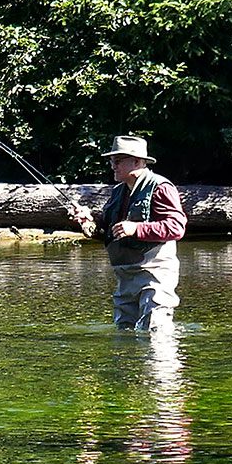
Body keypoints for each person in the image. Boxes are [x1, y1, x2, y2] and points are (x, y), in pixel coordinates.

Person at [68, 135, 187, 332]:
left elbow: (176, 227)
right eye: (111, 161)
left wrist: (136, 228)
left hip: (154, 274)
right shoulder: (118, 191)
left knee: (155, 331)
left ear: (138, 161)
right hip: (125, 276)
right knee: (125, 334)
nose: (113, 165)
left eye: (118, 160)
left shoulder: (161, 188)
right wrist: (88, 220)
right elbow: (109, 231)